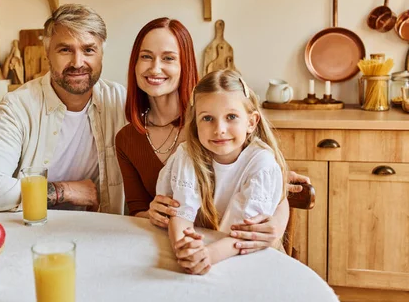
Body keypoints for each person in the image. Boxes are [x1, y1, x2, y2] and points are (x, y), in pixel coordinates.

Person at [116, 18, 308, 255]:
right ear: (134, 64)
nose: (155, 68)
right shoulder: (127, 138)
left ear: (185, 65)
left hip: (240, 249)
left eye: (168, 58)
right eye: (146, 56)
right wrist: (152, 213)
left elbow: (273, 194)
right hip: (178, 247)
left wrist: (276, 226)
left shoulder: (219, 116)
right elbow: (136, 209)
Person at [0, 4, 126, 214]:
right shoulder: (17, 107)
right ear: (47, 53)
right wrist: (66, 190)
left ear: (101, 54)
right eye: (65, 50)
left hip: (100, 231)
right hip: (32, 229)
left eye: (89, 50)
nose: (78, 62)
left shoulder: (121, 101)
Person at [156, 69, 288, 275]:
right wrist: (185, 248)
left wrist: (207, 255)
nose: (220, 129)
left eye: (231, 117)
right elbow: (181, 215)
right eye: (207, 118)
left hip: (249, 257)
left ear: (251, 122)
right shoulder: (187, 155)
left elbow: (247, 233)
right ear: (196, 122)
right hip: (206, 251)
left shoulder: (261, 163)